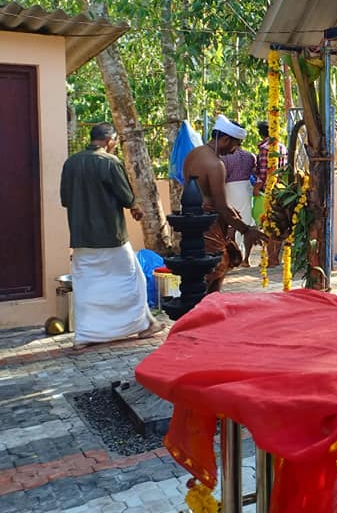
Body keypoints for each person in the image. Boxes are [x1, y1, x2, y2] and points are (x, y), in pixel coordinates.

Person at [60, 123, 165, 350]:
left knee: (87, 285)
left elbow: (66, 199)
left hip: (81, 237)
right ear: (110, 140)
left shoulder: (71, 163)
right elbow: (126, 196)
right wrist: (135, 207)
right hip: (111, 236)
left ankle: (85, 335)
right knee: (132, 279)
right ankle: (144, 325)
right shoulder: (109, 162)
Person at [182, 115, 265, 293]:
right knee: (213, 273)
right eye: (236, 144)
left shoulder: (194, 154)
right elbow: (221, 207)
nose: (235, 150)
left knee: (201, 276)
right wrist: (247, 230)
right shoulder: (215, 164)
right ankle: (207, 314)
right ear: (225, 139)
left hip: (192, 223)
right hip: (208, 225)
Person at [252, 120, 287, 267]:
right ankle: (274, 258)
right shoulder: (282, 147)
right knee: (277, 223)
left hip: (268, 190)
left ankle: (271, 259)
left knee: (268, 223)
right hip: (281, 188)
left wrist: (257, 187)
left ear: (261, 133)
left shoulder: (265, 148)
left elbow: (263, 172)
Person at [221, 145, 257, 266]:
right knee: (247, 223)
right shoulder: (250, 156)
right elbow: (254, 172)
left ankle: (233, 258)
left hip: (230, 188)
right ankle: (246, 259)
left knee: (232, 222)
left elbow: (223, 175)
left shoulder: (225, 157)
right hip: (246, 188)